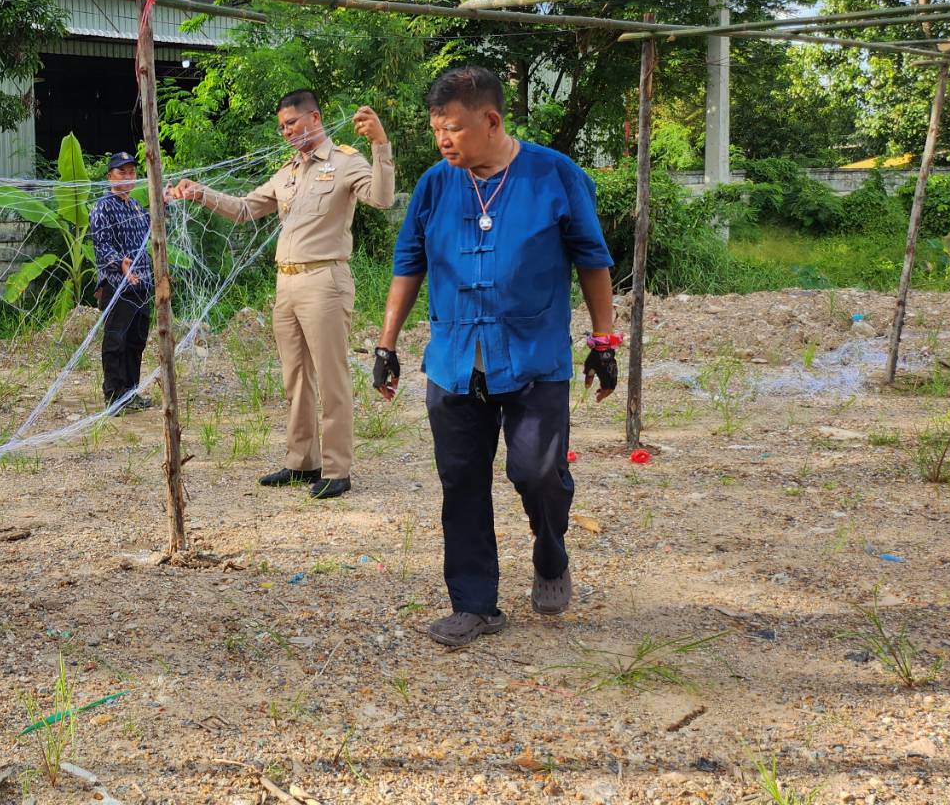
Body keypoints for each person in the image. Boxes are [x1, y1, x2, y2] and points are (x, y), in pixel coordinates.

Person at [372, 66, 618, 649]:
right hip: (456, 358)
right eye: (437, 131)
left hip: (534, 358)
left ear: (492, 120)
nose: (443, 141)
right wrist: (387, 344)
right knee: (460, 480)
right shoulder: (436, 185)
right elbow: (409, 264)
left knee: (535, 472)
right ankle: (475, 604)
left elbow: (592, 260)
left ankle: (551, 556)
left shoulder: (556, 176)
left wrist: (603, 344)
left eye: (453, 129)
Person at [168, 91, 392, 499]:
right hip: (285, 284)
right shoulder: (287, 173)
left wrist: (380, 145)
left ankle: (338, 469)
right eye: (282, 127)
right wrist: (198, 192)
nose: (286, 131)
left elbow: (381, 198)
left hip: (324, 281)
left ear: (314, 118)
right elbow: (243, 209)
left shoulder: (344, 162)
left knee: (331, 377)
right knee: (295, 378)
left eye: (291, 123)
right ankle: (302, 461)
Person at [89, 151, 154, 414]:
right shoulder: (103, 206)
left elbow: (152, 228)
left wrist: (164, 203)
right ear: (110, 177)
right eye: (121, 172)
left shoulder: (135, 207)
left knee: (136, 340)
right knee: (116, 340)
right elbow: (101, 243)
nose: (127, 177)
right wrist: (120, 263)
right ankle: (113, 396)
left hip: (141, 285)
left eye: (131, 172)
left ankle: (131, 392)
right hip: (117, 285)